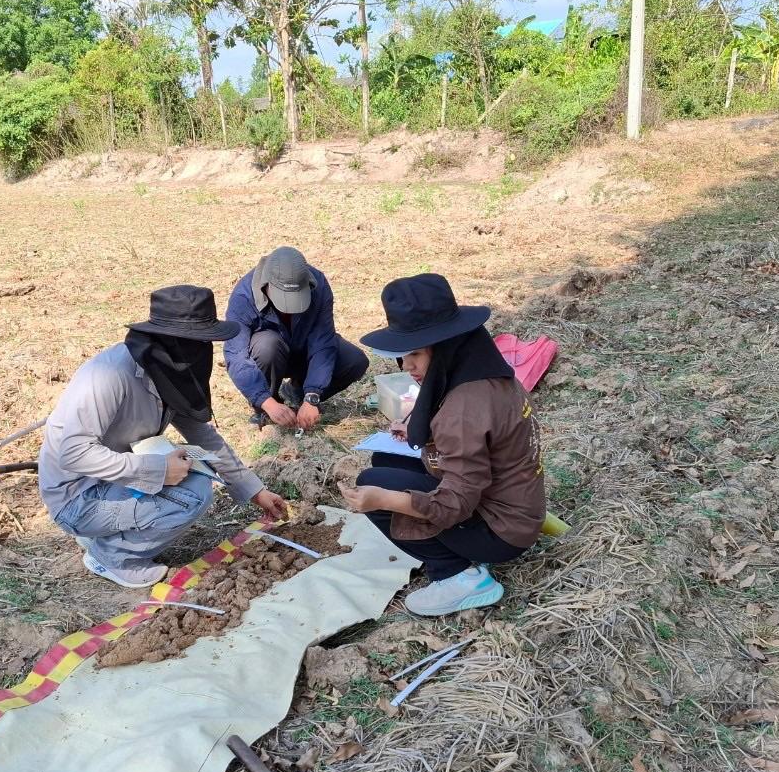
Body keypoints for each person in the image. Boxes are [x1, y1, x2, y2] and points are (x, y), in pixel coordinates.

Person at [38, 284, 288, 588]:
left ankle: (103, 535)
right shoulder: (110, 376)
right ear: (169, 339)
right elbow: (74, 453)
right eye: (198, 342)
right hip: (77, 497)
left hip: (114, 478)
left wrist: (253, 490)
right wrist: (157, 471)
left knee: (196, 477)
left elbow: (203, 437)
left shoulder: (171, 370)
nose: (203, 353)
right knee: (191, 496)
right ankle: (111, 555)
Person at [339, 274, 546, 616]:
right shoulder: (486, 374)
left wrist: (384, 500)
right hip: (517, 505)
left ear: (448, 345)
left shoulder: (463, 409)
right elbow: (477, 441)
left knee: (374, 484)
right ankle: (448, 551)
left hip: (502, 531)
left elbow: (456, 505)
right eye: (402, 357)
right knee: (383, 461)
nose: (408, 367)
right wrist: (419, 431)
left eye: (416, 354)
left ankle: (458, 575)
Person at [224, 246, 369, 431]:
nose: (288, 308)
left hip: (304, 350)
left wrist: (312, 396)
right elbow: (236, 355)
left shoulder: (319, 285)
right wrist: (265, 401)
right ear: (266, 285)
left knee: (354, 361)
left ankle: (297, 393)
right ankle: (268, 406)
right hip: (271, 355)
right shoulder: (244, 296)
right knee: (267, 345)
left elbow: (323, 342)